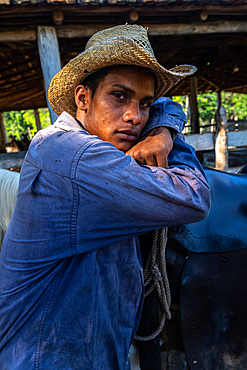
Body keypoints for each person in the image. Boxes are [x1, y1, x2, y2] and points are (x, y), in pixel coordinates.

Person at [0, 24, 210, 370]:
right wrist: (167, 138)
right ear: (83, 98)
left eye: (144, 104)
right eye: (119, 96)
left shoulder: (77, 146)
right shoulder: (74, 155)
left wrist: (163, 126)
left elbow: (166, 106)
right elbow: (194, 196)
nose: (134, 116)